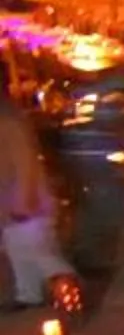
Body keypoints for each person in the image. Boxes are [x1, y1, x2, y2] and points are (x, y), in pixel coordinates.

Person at [0, 102, 71, 309]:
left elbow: (25, 163)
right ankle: (28, 293)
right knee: (17, 248)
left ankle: (68, 284)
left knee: (37, 249)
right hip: (12, 197)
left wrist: (24, 199)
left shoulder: (8, 122)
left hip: (25, 199)